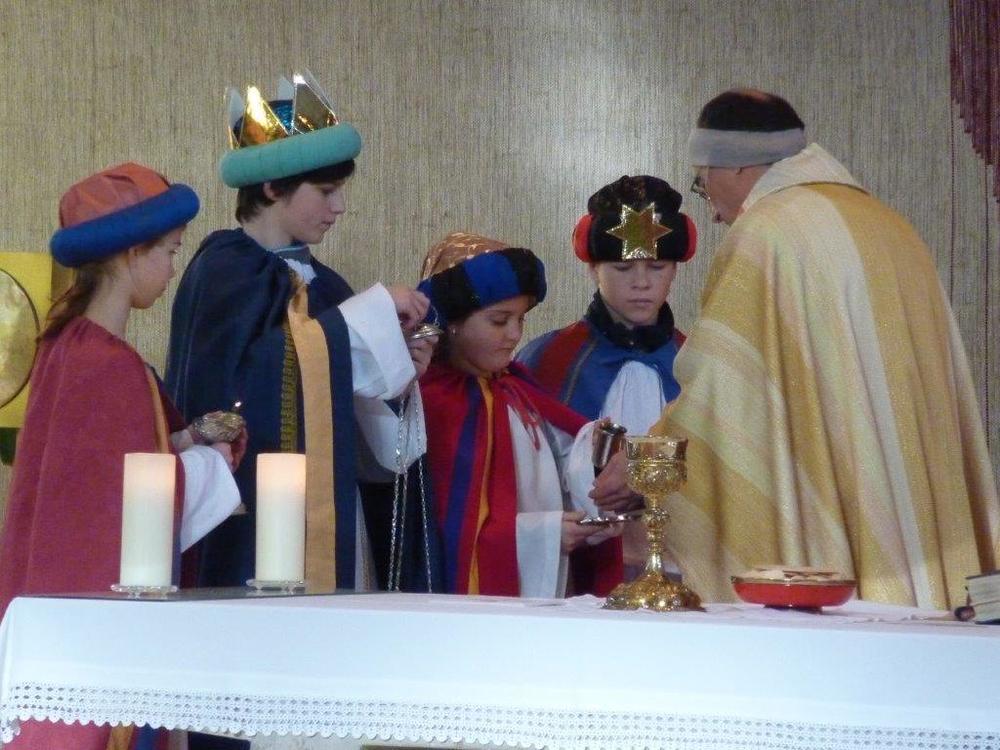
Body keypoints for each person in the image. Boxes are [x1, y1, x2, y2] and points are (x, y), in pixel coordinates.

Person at [594, 88, 1000, 610]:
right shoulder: (887, 224)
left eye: (702, 182)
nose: (712, 211)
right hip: (915, 502)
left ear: (735, 166)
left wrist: (646, 459)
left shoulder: (768, 232)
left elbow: (723, 392)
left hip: (839, 506)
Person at [166, 73, 440, 598]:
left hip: (330, 504)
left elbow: (347, 409)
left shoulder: (328, 285)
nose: (339, 207)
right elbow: (245, 381)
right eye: (326, 191)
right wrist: (365, 320)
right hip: (251, 512)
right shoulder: (225, 269)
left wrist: (397, 373)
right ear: (273, 187)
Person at [0, 162, 242, 750]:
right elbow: (130, 502)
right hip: (98, 626)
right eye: (170, 251)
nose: (174, 267)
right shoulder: (109, 363)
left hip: (51, 605)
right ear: (134, 253)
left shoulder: (65, 345)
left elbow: (97, 472)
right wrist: (214, 465)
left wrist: (183, 439)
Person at [418, 232, 621, 598]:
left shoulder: (517, 387)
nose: (514, 335)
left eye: (521, 319)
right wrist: (545, 536)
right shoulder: (432, 401)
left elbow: (560, 463)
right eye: (499, 321)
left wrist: (593, 479)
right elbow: (449, 533)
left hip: (546, 589)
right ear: (453, 321)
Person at [518, 175, 696, 579]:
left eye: (657, 266)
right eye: (622, 267)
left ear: (675, 270)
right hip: (578, 571)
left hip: (681, 568)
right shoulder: (547, 360)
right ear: (592, 268)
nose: (641, 282)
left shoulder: (696, 365)